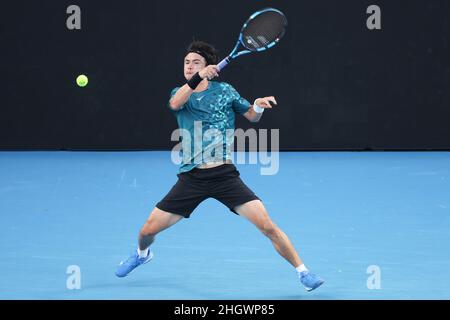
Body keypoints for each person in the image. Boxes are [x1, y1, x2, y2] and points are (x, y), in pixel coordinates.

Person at [115, 41, 324, 292]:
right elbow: (175, 104)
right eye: (187, 62)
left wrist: (257, 105)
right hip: (191, 178)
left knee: (267, 225)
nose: (190, 66)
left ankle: (304, 273)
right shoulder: (179, 92)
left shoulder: (225, 91)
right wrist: (197, 78)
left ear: (209, 66)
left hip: (224, 176)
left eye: (196, 63)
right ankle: (142, 254)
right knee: (146, 231)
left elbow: (252, 117)